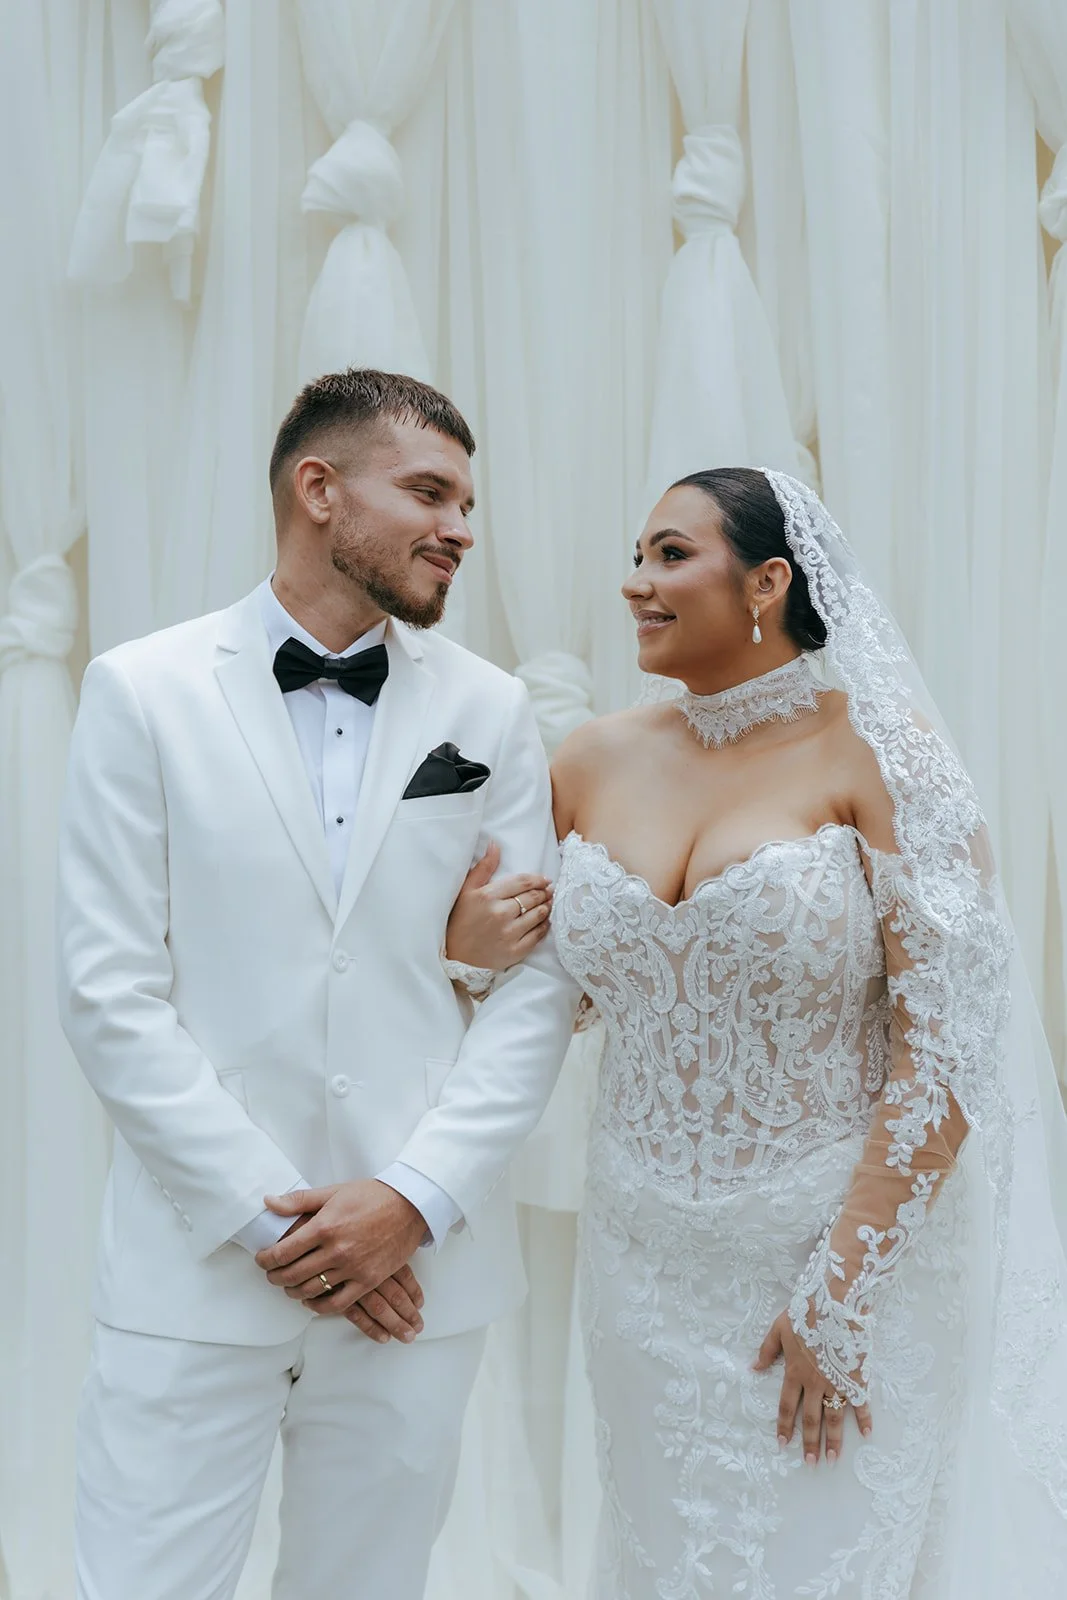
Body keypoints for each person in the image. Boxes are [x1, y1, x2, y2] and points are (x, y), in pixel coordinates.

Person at [443, 467, 1067, 1596]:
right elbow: (559, 992)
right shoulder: (583, 759)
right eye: (636, 555)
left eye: (670, 554)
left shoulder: (882, 756)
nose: (635, 582)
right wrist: (473, 954)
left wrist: (841, 1287)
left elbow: (952, 1043)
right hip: (641, 1263)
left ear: (768, 580)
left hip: (834, 1256)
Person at [56, 368, 578, 1600]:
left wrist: (411, 1197)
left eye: (467, 500)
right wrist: (267, 1219)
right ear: (319, 487)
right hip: (199, 1266)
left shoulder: (492, 708)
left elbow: (539, 985)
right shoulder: (144, 690)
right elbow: (109, 990)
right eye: (430, 492)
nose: (460, 526)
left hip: (418, 1277)